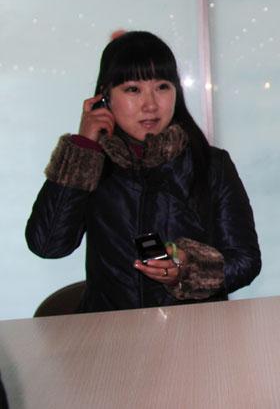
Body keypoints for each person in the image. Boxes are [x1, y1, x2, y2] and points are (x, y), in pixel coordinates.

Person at [26, 31, 261, 312]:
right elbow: (48, 245)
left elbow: (246, 260)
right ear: (104, 97)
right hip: (111, 338)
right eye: (133, 89)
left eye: (162, 86)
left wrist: (188, 269)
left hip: (193, 336)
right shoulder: (91, 164)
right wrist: (84, 147)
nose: (150, 104)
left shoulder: (211, 165)